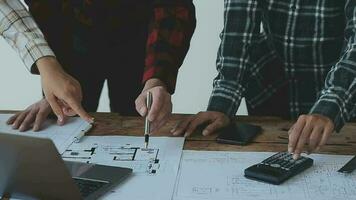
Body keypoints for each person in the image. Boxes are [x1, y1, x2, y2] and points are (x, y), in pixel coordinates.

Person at [172, 0, 356, 159]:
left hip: (346, 102)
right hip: (273, 95)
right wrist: (221, 107)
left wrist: (329, 108)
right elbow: (238, 35)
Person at [6, 0, 196, 132]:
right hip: (70, 37)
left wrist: (157, 79)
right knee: (64, 119)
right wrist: (52, 74)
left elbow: (173, 6)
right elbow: (44, 9)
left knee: (142, 119)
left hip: (140, 39)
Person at [0, 0, 94, 125]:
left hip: (125, 31)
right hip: (59, 30)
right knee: (68, 111)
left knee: (125, 107)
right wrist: (47, 64)